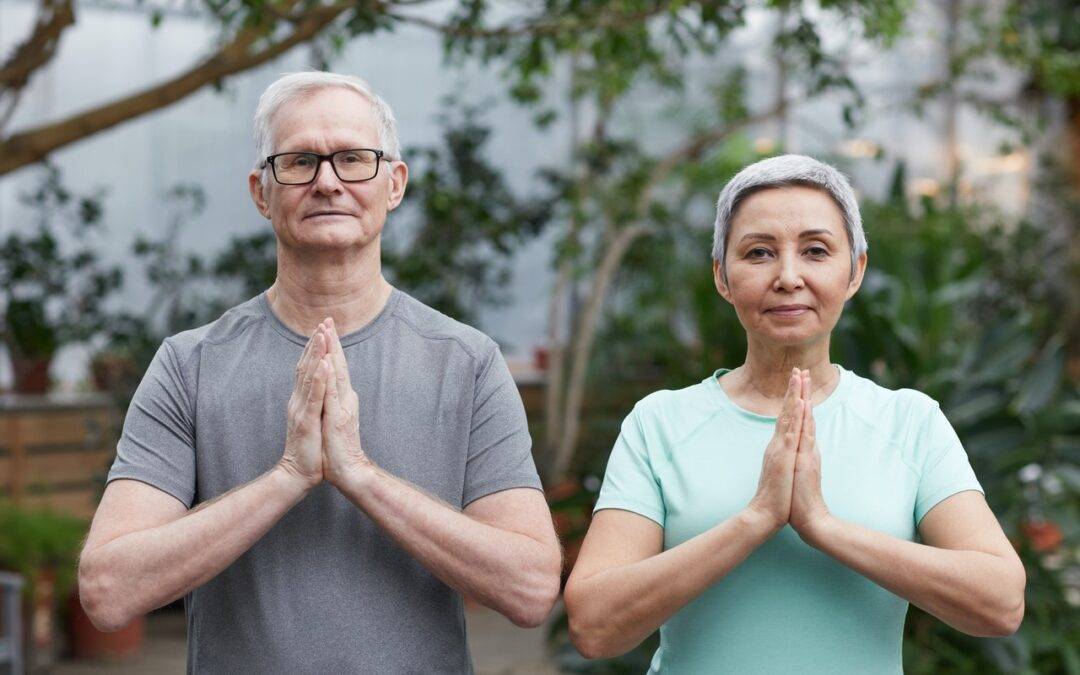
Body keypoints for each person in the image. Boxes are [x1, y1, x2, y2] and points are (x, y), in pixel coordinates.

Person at [78, 71, 561, 673]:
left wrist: (359, 475)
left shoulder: (466, 363)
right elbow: (108, 589)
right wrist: (288, 476)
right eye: (300, 161)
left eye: (353, 159)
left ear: (394, 183)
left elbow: (531, 588)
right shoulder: (190, 366)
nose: (328, 182)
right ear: (261, 192)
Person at [563, 154, 1025, 673]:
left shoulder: (909, 422)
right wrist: (756, 519)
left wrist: (824, 527)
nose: (787, 276)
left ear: (855, 271)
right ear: (722, 276)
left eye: (816, 251)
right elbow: (593, 624)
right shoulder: (659, 423)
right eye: (759, 253)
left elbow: (1001, 602)